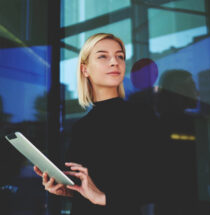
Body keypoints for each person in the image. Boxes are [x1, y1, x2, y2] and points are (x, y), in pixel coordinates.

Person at [34, 33, 159, 215]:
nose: (115, 62)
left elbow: (160, 184)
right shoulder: (81, 127)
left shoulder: (141, 116)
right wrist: (69, 191)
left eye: (120, 56)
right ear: (85, 70)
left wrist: (102, 198)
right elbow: (91, 188)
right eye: (103, 56)